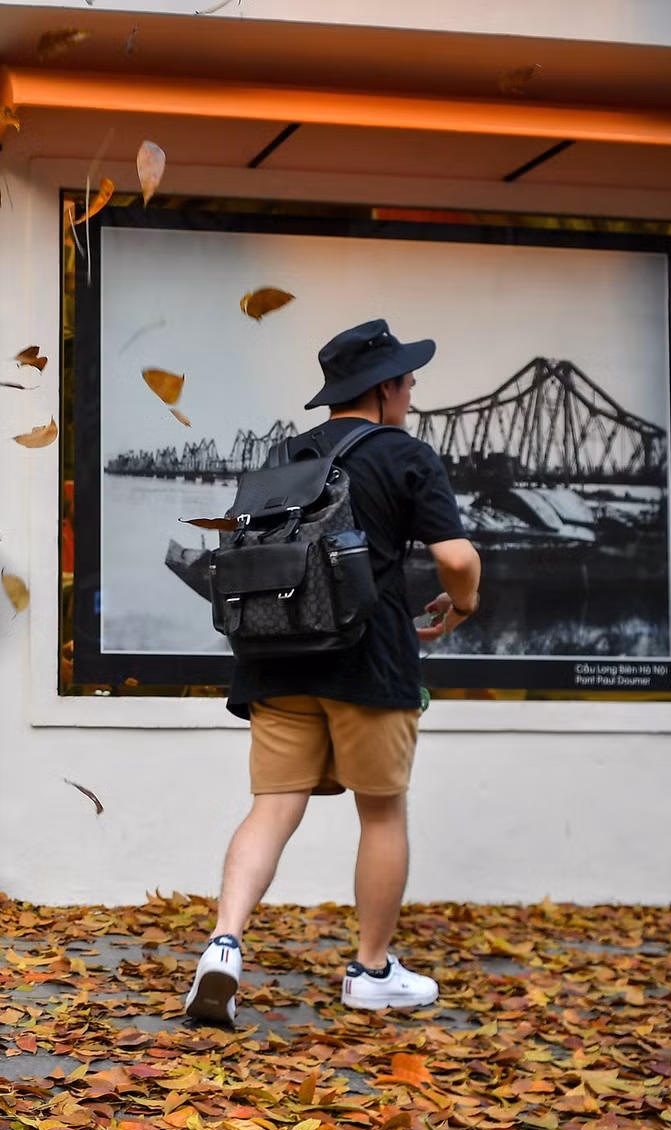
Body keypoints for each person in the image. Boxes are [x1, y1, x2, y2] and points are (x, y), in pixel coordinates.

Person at [184, 320, 483, 1028]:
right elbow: (459, 560)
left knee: (272, 805)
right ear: (384, 388)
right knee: (380, 811)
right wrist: (463, 605)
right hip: (367, 658)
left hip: (276, 656)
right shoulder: (406, 456)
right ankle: (372, 972)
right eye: (407, 382)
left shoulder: (284, 455)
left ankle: (224, 945)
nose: (411, 393)